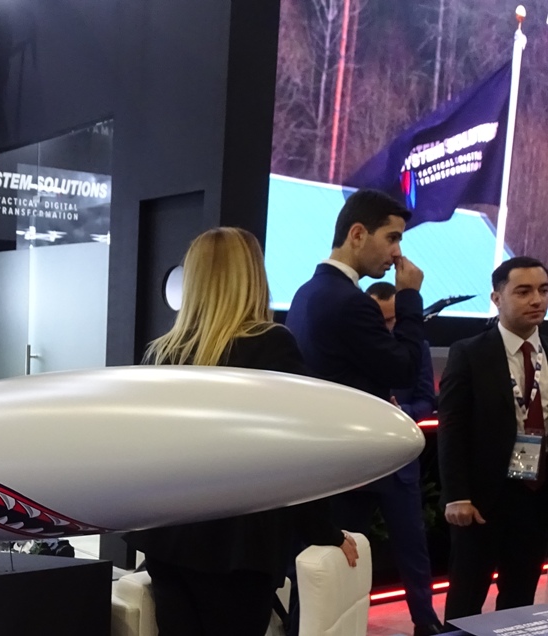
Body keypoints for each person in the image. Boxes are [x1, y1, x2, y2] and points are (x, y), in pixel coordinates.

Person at [124, 227, 357, 636]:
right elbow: (298, 454)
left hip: (167, 541)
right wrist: (324, 532)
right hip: (237, 549)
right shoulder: (271, 345)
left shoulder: (163, 353)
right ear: (251, 276)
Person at [285, 190, 443, 636]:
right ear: (357, 234)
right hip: (345, 469)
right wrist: (409, 299)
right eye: (392, 238)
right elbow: (403, 366)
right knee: (327, 595)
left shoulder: (306, 293)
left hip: (322, 468)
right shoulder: (349, 301)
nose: (397, 253)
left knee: (314, 593)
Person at [438, 256, 548, 619]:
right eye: (524, 291)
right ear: (497, 298)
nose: (537, 300)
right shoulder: (470, 352)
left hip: (537, 495)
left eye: (543, 290)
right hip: (483, 499)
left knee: (520, 597)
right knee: (466, 598)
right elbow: (452, 428)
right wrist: (457, 495)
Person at [366, 281, 436, 422]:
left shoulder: (418, 347)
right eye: (377, 319)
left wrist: (399, 411)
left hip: (397, 428)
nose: (384, 327)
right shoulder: (351, 344)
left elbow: (426, 402)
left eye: (389, 320)